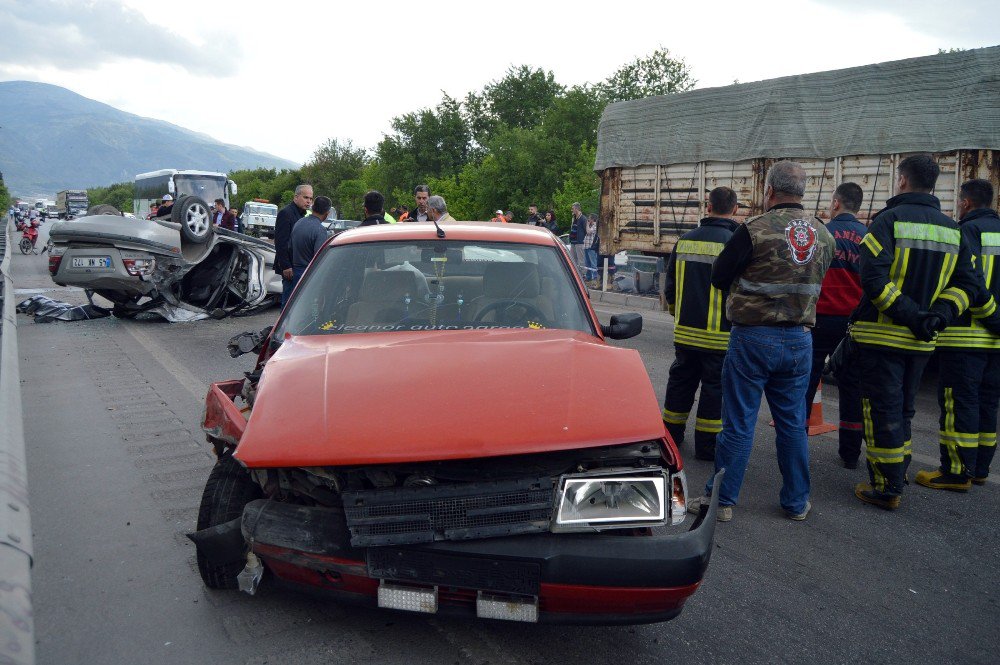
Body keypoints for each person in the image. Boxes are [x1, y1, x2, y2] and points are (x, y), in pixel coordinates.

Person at [689, 161, 834, 523]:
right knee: (792, 423)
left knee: (739, 422)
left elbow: (720, 277)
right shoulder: (823, 234)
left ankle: (721, 502)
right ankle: (797, 502)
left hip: (753, 338)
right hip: (801, 341)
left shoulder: (753, 229)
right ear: (803, 192)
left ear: (769, 191)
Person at [850, 154, 978, 510]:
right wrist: (936, 316)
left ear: (903, 181)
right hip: (923, 341)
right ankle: (899, 471)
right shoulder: (953, 229)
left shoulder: (887, 221)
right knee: (904, 410)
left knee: (882, 411)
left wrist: (912, 315)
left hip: (882, 336)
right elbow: (969, 285)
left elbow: (873, 279)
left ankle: (887, 487)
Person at [915, 179, 1000, 490]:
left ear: (965, 203)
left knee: (959, 404)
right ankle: (979, 468)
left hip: (966, 337)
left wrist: (993, 317)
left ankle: (955, 471)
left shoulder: (968, 232)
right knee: (988, 404)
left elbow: (971, 283)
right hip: (996, 342)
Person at [661, 187, 740, 461]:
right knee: (713, 390)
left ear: (708, 207)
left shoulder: (684, 241)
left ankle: (670, 439)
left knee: (680, 385)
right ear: (735, 209)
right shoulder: (735, 243)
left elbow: (669, 287)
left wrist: (677, 313)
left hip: (685, 333)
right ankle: (707, 447)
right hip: (720, 338)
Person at [804, 183, 868, 469]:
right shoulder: (869, 237)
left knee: (806, 381)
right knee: (852, 387)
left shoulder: (821, 233)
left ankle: (797, 441)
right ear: (859, 206)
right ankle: (850, 453)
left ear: (836, 203)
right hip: (853, 324)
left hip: (819, 319)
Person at [274, 184, 313, 306]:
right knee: (289, 303)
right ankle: (284, 325)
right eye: (306, 197)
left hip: (299, 265)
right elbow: (281, 242)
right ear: (296, 197)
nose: (309, 201)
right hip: (290, 267)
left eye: (311, 199)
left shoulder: (303, 214)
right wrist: (285, 266)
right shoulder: (286, 213)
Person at [290, 196, 334, 288]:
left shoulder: (299, 223)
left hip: (294, 271)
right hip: (308, 273)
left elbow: (290, 247)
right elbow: (319, 257)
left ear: (313, 207)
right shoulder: (320, 230)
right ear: (327, 213)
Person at [569, 203, 587, 274]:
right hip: (573, 242)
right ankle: (575, 274)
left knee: (581, 260)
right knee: (573, 259)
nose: (572, 210)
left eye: (572, 209)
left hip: (579, 242)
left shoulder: (583, 218)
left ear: (576, 209)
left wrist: (583, 239)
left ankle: (583, 274)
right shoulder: (574, 218)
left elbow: (586, 230)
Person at [583, 213, 600, 282]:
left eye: (589, 218)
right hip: (587, 246)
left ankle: (595, 277)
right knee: (587, 263)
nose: (588, 219)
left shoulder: (595, 225)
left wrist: (587, 224)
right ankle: (588, 277)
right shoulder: (590, 225)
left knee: (593, 263)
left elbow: (588, 232)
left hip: (591, 246)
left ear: (593, 219)